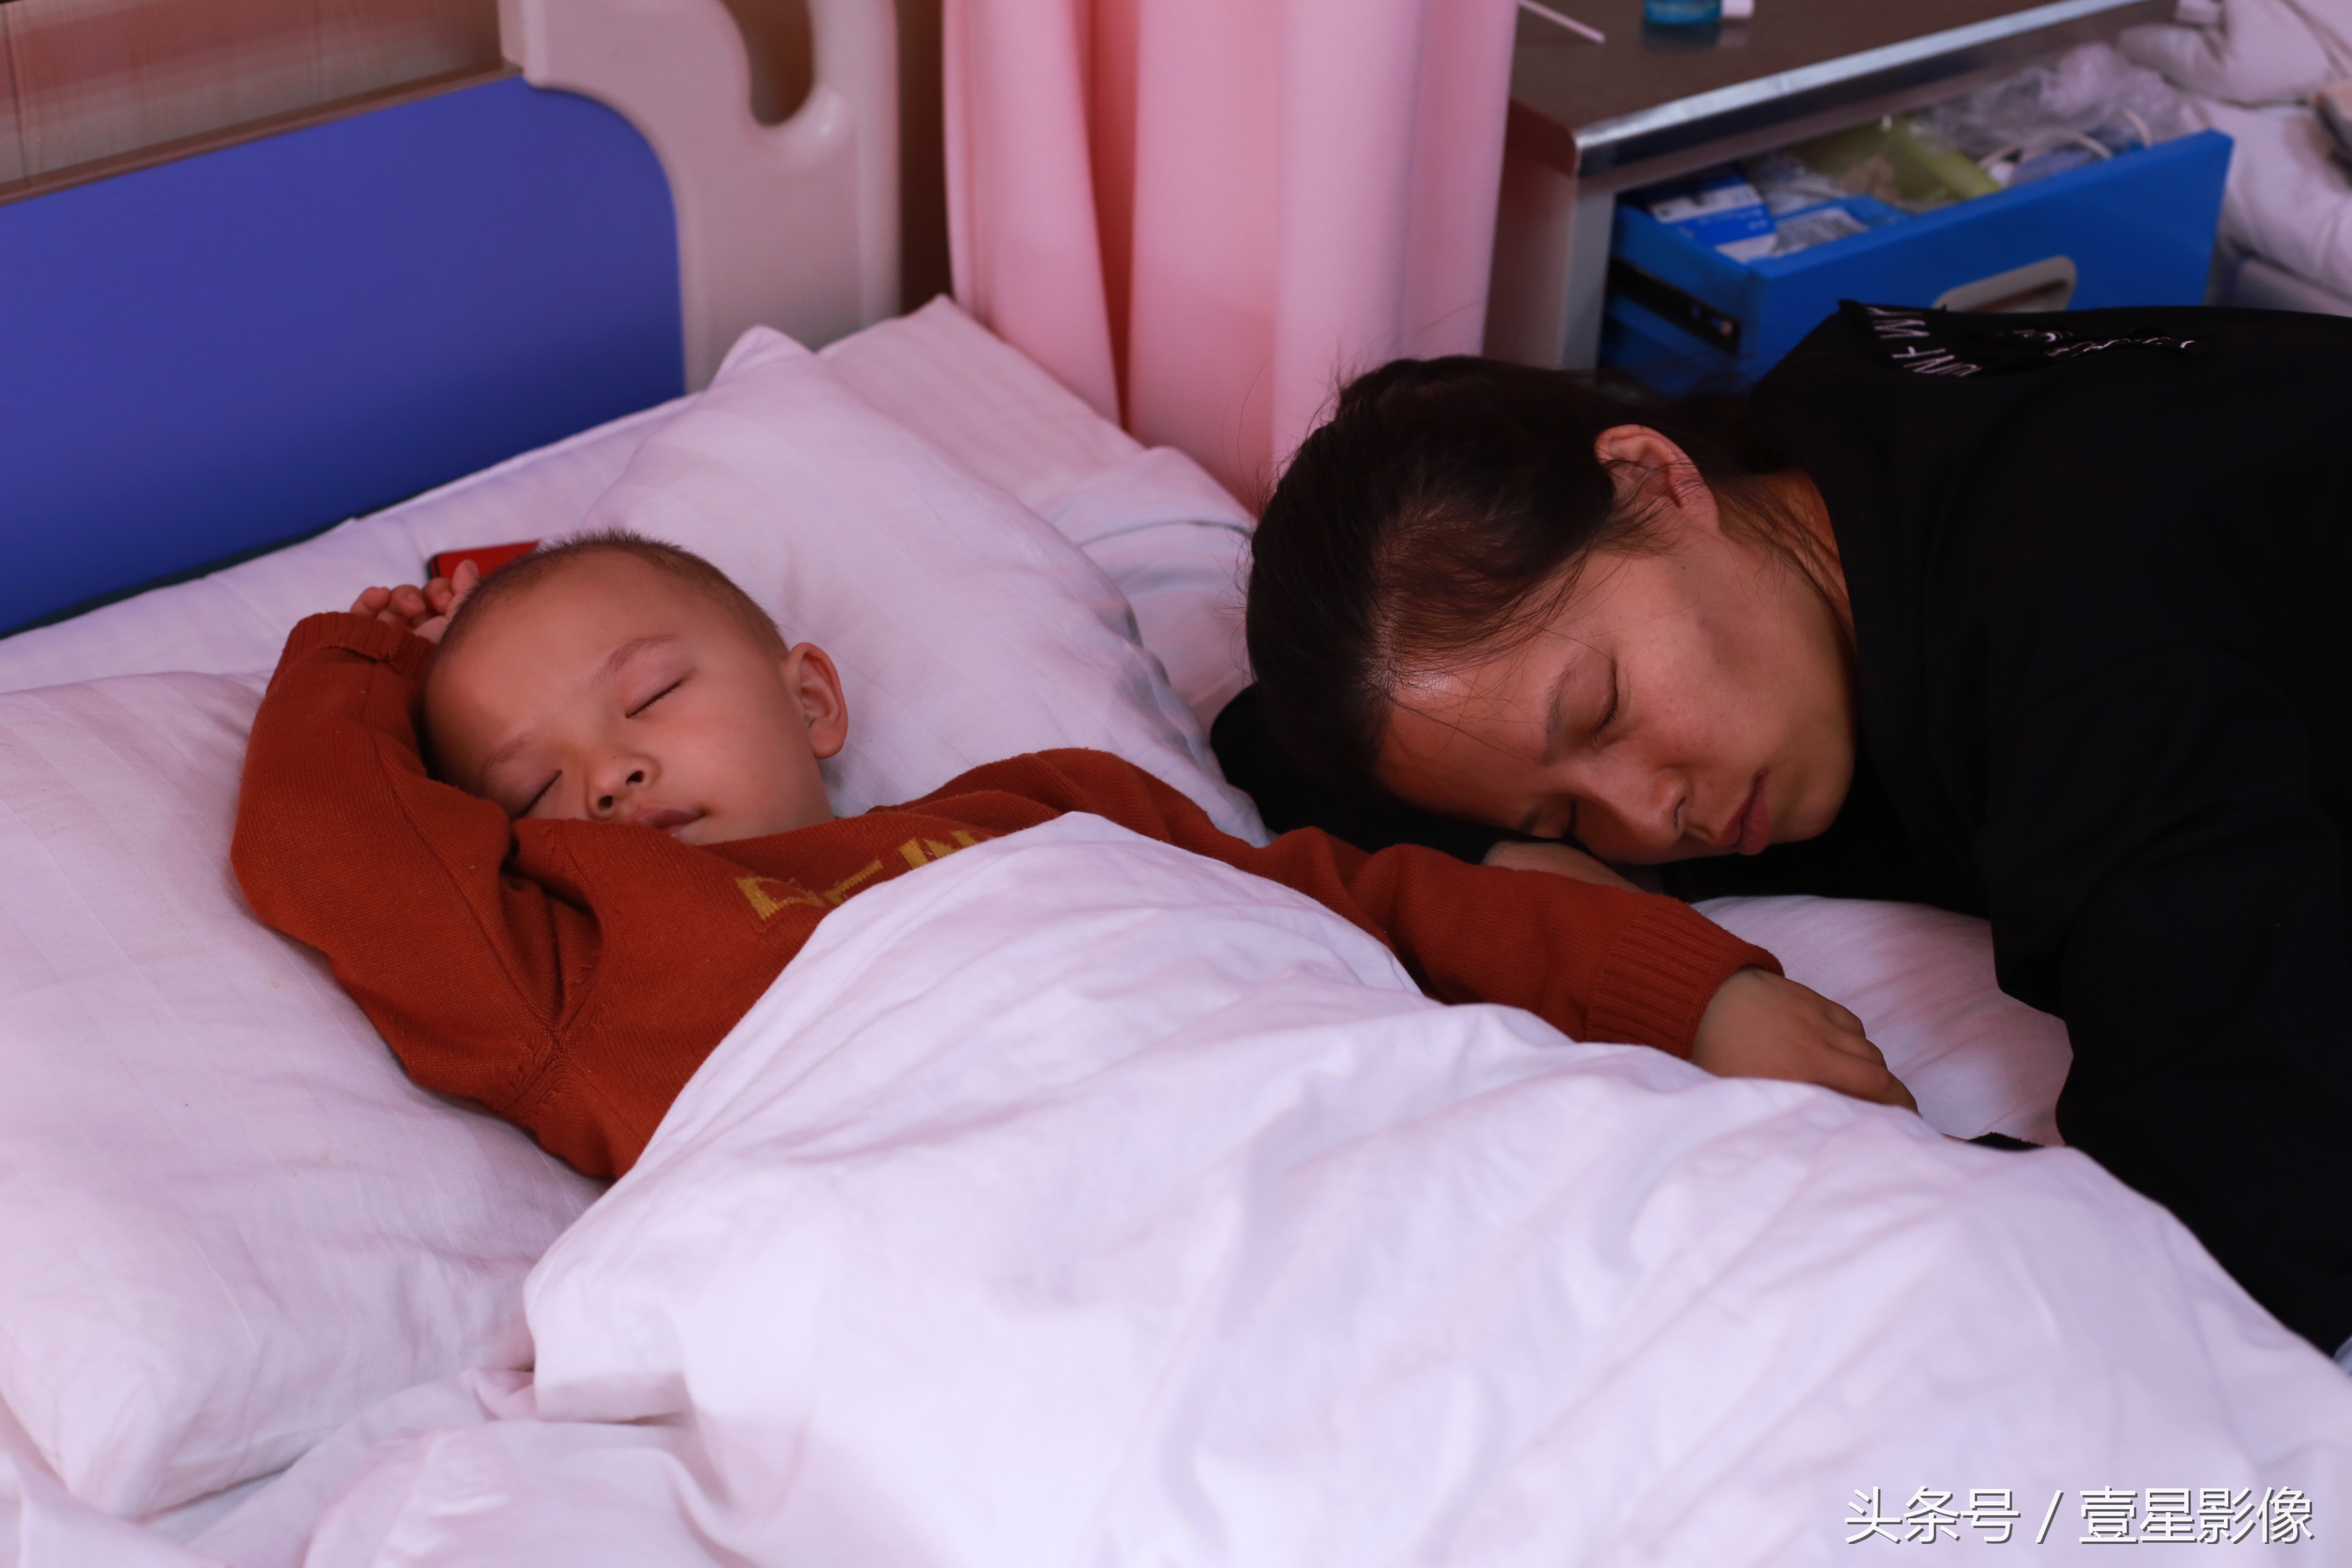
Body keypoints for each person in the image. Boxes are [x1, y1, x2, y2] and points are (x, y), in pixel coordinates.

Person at [1215, 301, 2352, 1361]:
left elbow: (2229, 1246)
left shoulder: (2084, 668)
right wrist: (1647, 953)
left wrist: (1860, 1163)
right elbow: (1266, 738)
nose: (1643, 817)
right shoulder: (1797, 486)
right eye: (1563, 812)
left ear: (1655, 479)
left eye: (1602, 711)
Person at [230, 530, 1911, 1183]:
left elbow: (1371, 912)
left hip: (1341, 1123)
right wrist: (367, 644)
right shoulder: (579, 961)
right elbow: (339, 845)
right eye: (536, 786)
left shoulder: (1051, 805)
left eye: (651, 695)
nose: (611, 775)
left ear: (811, 695)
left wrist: (1696, 996)